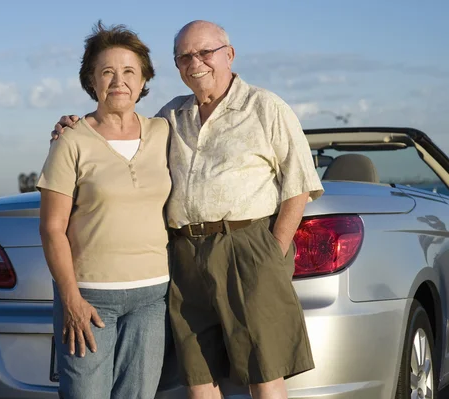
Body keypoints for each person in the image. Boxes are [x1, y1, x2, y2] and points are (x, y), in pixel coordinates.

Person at [52, 20, 324, 399]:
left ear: (229, 55)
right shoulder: (170, 117)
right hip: (182, 258)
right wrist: (73, 125)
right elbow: (118, 128)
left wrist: (272, 254)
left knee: (264, 374)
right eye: (184, 56)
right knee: (199, 377)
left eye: (205, 52)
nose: (195, 62)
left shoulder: (265, 107)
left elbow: (299, 186)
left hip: (246, 251)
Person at [37, 21, 172, 399]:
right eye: (107, 72)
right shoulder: (71, 142)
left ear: (144, 79)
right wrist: (71, 300)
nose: (119, 81)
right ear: (91, 81)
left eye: (129, 71)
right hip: (90, 298)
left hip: (152, 295)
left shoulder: (164, 131)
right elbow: (51, 229)